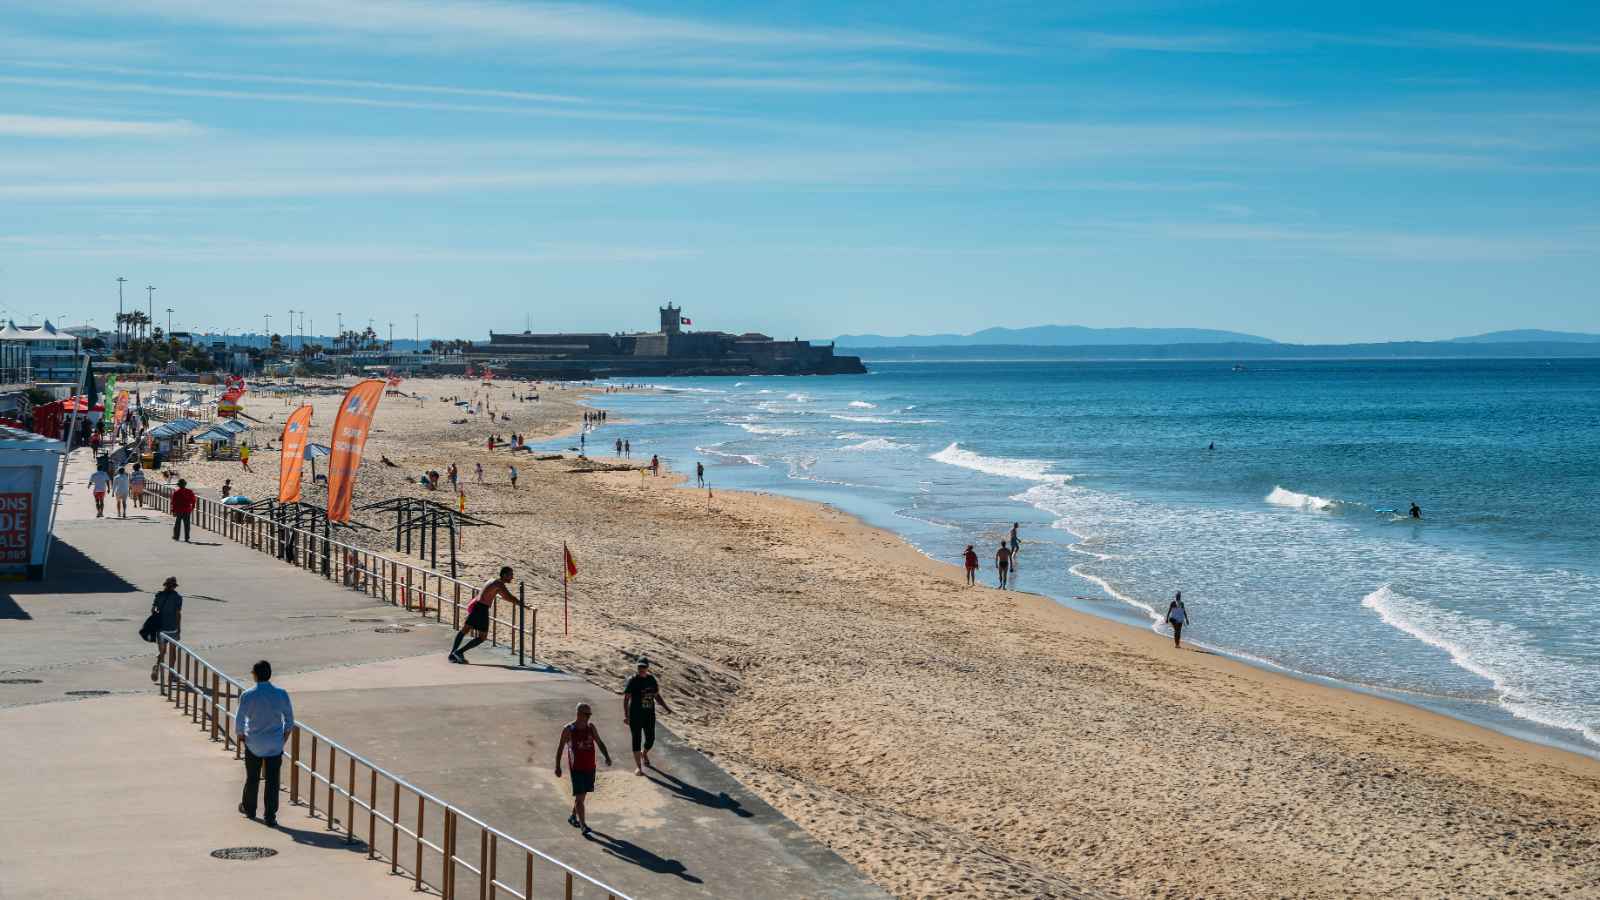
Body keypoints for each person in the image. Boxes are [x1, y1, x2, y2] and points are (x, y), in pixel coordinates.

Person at [236, 659, 295, 827]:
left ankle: (249, 808)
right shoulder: (281, 693)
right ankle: (270, 815)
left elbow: (239, 722)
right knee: (272, 780)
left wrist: (242, 738)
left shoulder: (247, 695)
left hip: (253, 742)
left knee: (252, 777)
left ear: (254, 675)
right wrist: (283, 739)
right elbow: (289, 720)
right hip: (275, 743)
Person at [554, 702, 612, 835]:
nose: (589, 717)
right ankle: (583, 825)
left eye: (590, 714)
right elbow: (560, 747)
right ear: (579, 714)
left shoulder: (591, 728)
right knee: (580, 797)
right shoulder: (569, 729)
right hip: (577, 769)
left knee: (582, 795)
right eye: (587, 714)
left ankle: (573, 816)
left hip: (590, 767)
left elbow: (599, 742)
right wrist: (557, 766)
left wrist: (607, 756)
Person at [448, 566, 518, 664]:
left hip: (477, 606)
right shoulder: (499, 584)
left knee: (465, 630)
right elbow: (508, 597)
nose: (512, 577)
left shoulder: (493, 580)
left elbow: (503, 596)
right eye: (510, 575)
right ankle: (458, 652)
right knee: (482, 637)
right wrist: (520, 603)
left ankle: (452, 654)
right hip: (481, 609)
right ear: (504, 575)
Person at [623, 658, 673, 775]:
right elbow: (626, 698)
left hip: (649, 715)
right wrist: (626, 715)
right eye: (639, 667)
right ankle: (639, 767)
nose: (641, 669)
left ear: (647, 668)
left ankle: (644, 753)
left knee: (650, 739)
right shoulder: (633, 680)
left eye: (643, 667)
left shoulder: (651, 680)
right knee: (636, 740)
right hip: (635, 715)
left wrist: (666, 708)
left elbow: (656, 696)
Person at [149, 576, 183, 682]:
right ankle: (171, 674)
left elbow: (153, 609)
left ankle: (157, 667)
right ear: (174, 586)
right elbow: (178, 614)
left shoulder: (159, 595)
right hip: (172, 628)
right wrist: (179, 628)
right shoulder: (178, 597)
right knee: (173, 652)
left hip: (161, 629)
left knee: (162, 652)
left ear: (165, 585)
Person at [170, 478, 196, 542]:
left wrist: (173, 510)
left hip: (179, 510)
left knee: (177, 524)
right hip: (187, 509)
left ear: (179, 485)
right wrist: (192, 507)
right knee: (187, 524)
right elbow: (193, 500)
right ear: (185, 484)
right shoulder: (189, 491)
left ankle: (176, 536)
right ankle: (187, 537)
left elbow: (173, 502)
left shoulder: (176, 492)